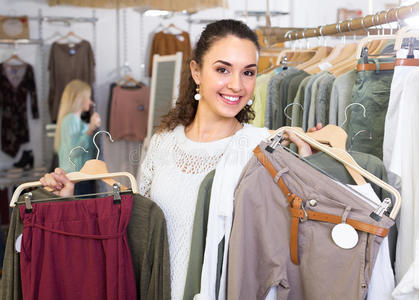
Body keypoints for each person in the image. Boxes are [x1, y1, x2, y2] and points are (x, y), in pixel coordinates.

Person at [40, 20, 318, 299]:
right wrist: (70, 198)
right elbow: (137, 223)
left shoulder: (262, 148)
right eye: (223, 69)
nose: (236, 85)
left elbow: (283, 244)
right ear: (196, 71)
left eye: (248, 72)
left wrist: (312, 164)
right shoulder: (163, 142)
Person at [53, 79, 101, 194]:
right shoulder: (71, 120)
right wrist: (91, 128)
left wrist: (90, 126)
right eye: (88, 97)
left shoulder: (73, 121)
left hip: (78, 178)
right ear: (79, 98)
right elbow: (74, 151)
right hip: (76, 178)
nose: (91, 102)